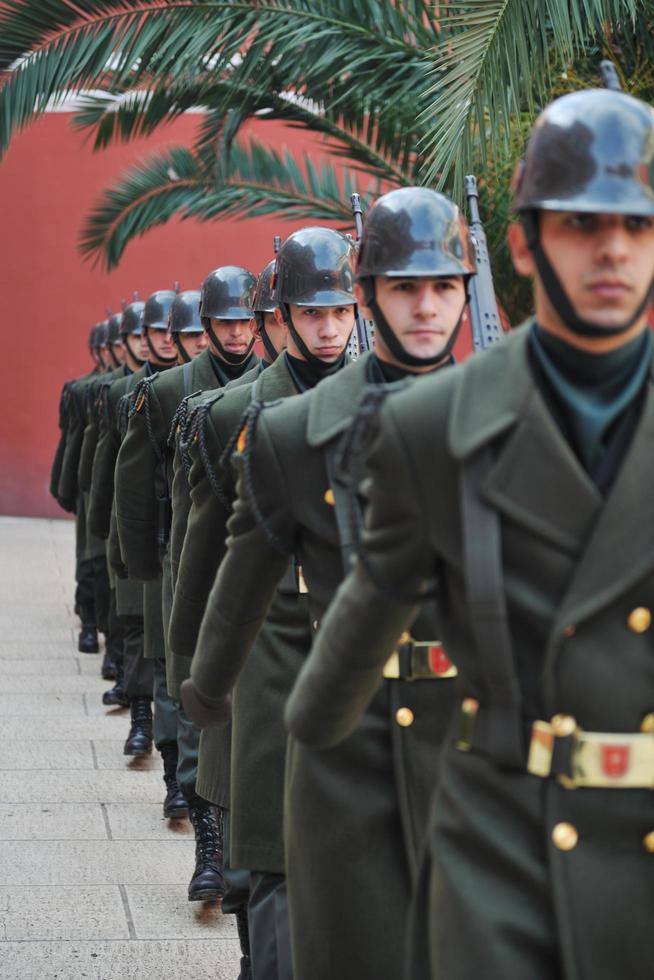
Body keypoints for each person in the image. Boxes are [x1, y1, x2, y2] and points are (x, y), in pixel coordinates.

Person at [284, 88, 654, 980]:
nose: (613, 249)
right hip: (504, 853)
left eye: (639, 227)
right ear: (524, 244)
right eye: (579, 223)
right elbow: (339, 668)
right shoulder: (432, 429)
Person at [181, 189, 475, 980]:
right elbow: (224, 563)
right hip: (308, 697)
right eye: (403, 288)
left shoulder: (503, 419)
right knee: (292, 916)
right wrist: (200, 693)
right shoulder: (262, 424)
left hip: (462, 731)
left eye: (443, 287)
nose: (424, 308)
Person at [172, 231, 355, 980]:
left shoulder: (389, 401)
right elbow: (205, 547)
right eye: (312, 312)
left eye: (341, 310)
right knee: (261, 848)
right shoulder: (230, 414)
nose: (328, 326)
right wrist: (195, 666)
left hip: (352, 648)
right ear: (281, 315)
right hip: (260, 653)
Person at [115, 271, 259, 906]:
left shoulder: (277, 381)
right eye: (223, 322)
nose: (233, 333)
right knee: (191, 690)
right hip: (189, 555)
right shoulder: (170, 389)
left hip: (261, 565)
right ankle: (208, 843)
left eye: (242, 321)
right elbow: (137, 484)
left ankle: (232, 843)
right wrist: (142, 566)